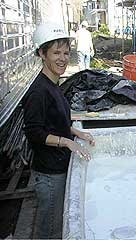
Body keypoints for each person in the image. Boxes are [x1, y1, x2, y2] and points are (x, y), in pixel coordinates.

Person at [23, 22, 95, 239]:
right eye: (56, 52)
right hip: (49, 174)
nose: (63, 58)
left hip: (58, 168)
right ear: (41, 53)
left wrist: (77, 133)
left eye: (66, 52)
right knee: (51, 231)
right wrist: (66, 142)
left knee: (57, 224)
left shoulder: (53, 84)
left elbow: (55, 122)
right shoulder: (38, 91)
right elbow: (34, 132)